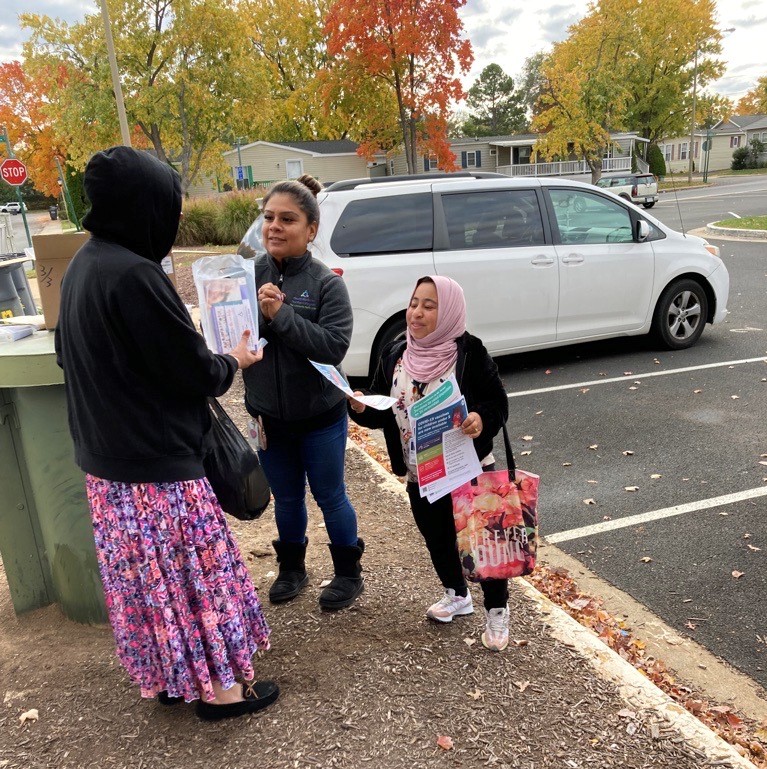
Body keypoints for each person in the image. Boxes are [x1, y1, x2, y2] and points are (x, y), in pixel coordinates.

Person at [55, 146, 277, 720]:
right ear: (144, 207)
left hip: (107, 470)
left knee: (150, 589)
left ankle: (174, 679)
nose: (173, 220)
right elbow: (194, 373)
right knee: (199, 579)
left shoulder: (84, 264)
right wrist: (234, 359)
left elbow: (70, 356)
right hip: (158, 471)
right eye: (168, 207)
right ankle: (222, 692)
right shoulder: (135, 274)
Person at [349, 276, 511, 650]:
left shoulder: (469, 352)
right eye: (414, 302)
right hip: (422, 472)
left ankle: (497, 611)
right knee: (436, 537)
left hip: (467, 468)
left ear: (449, 311)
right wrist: (360, 405)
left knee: (483, 544)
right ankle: (458, 595)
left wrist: (481, 419)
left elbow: (497, 402)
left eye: (429, 305)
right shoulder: (396, 352)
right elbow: (385, 409)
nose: (417, 312)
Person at [243, 176, 364, 610]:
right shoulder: (246, 275)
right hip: (267, 418)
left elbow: (332, 347)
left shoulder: (327, 284)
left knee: (331, 496)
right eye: (269, 217)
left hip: (320, 418)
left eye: (287, 219)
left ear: (311, 229)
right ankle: (293, 567)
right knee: (288, 498)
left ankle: (349, 572)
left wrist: (280, 315)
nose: (274, 226)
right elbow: (228, 338)